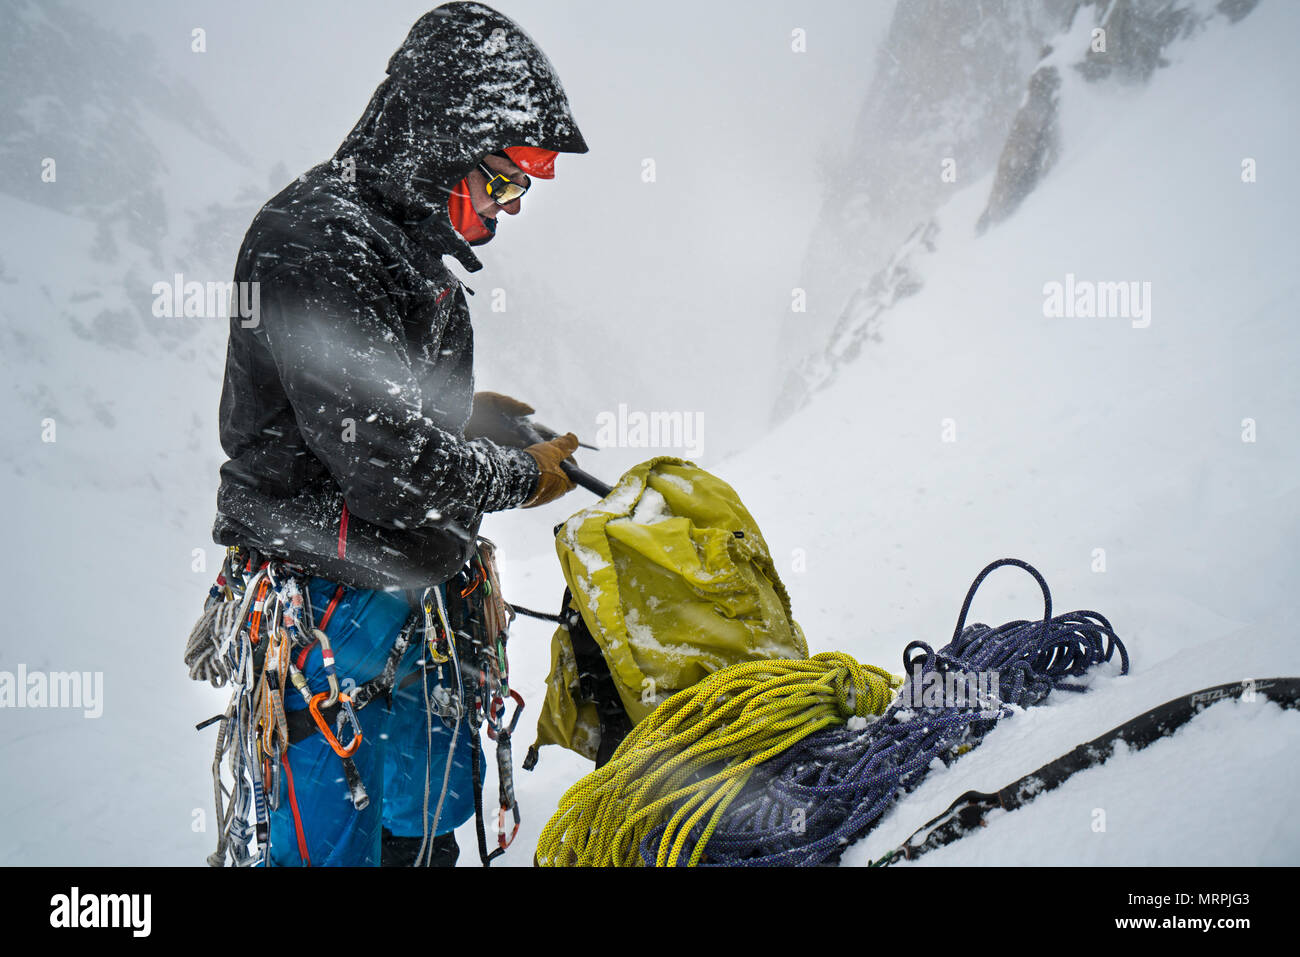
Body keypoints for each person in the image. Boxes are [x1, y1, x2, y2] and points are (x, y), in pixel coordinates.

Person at [209, 1, 588, 866]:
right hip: (326, 608)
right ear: (437, 144)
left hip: (414, 595)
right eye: (503, 179)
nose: (513, 205)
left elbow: (381, 413)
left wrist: (469, 416)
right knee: (335, 844)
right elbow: (387, 461)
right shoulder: (314, 243)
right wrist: (516, 475)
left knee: (421, 836)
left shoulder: (398, 245)